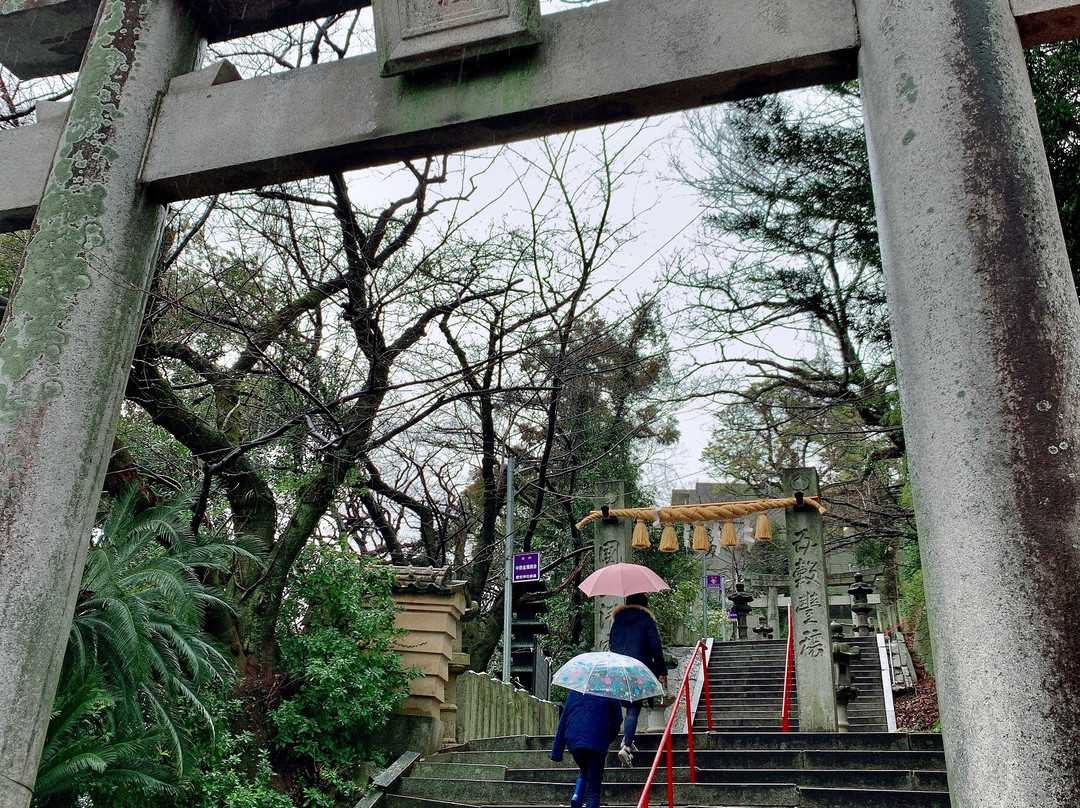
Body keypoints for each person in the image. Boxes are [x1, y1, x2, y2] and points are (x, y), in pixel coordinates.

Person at [608, 591, 667, 766]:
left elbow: (612, 644)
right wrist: (662, 671)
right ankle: (626, 747)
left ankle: (626, 738)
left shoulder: (617, 622)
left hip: (618, 668)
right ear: (645, 605)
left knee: (619, 705)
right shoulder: (646, 620)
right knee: (634, 707)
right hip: (638, 669)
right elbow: (655, 646)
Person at [550, 689, 624, 808]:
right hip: (596, 739)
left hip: (574, 739)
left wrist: (557, 752)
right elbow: (617, 719)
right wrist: (608, 738)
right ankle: (578, 796)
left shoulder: (576, 690)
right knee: (593, 789)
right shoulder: (609, 690)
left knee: (585, 769)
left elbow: (563, 719)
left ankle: (577, 795)